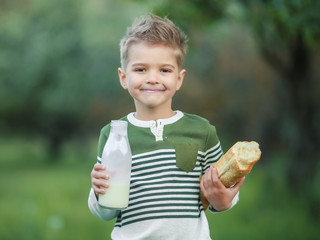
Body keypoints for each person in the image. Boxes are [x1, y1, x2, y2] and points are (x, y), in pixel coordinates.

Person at [88, 14, 245, 240]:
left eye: (164, 70)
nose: (153, 78)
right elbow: (106, 211)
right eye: (141, 69)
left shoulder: (202, 131)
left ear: (179, 79)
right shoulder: (114, 134)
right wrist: (98, 191)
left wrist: (221, 201)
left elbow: (222, 193)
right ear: (123, 77)